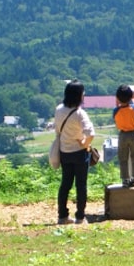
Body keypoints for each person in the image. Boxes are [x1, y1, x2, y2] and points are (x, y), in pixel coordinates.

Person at [54, 80, 95, 225]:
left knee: (65, 184)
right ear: (79, 96)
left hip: (64, 151)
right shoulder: (80, 113)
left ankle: (62, 216)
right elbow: (90, 133)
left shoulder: (59, 109)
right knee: (81, 185)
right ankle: (80, 217)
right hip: (79, 153)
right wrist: (85, 144)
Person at [113, 84, 134, 187]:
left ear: (117, 98)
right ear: (131, 97)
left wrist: (117, 103)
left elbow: (117, 112)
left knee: (123, 158)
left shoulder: (116, 110)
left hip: (122, 135)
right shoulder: (133, 107)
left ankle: (125, 179)